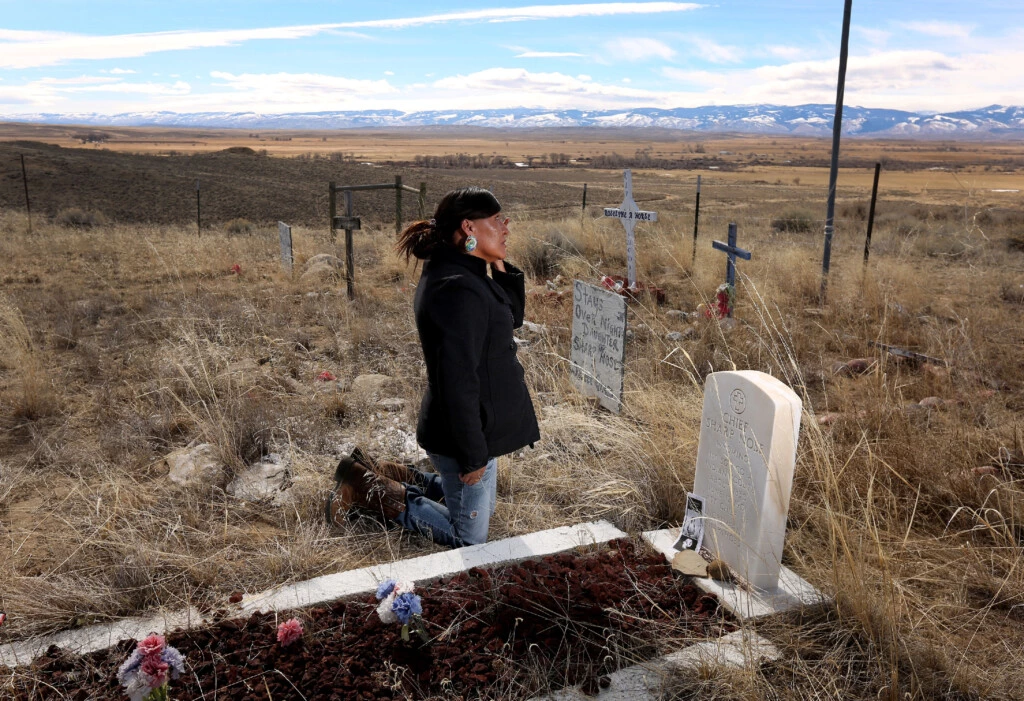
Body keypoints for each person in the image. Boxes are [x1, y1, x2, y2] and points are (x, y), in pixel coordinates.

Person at [326, 187, 540, 548]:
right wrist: (472, 456)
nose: (506, 228)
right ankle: (372, 490)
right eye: (497, 221)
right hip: (463, 434)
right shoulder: (456, 289)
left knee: (481, 510)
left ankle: (406, 477)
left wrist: (498, 264)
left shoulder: (465, 272)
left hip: (475, 426)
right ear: (469, 228)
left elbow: (510, 317)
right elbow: (456, 382)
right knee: (470, 539)